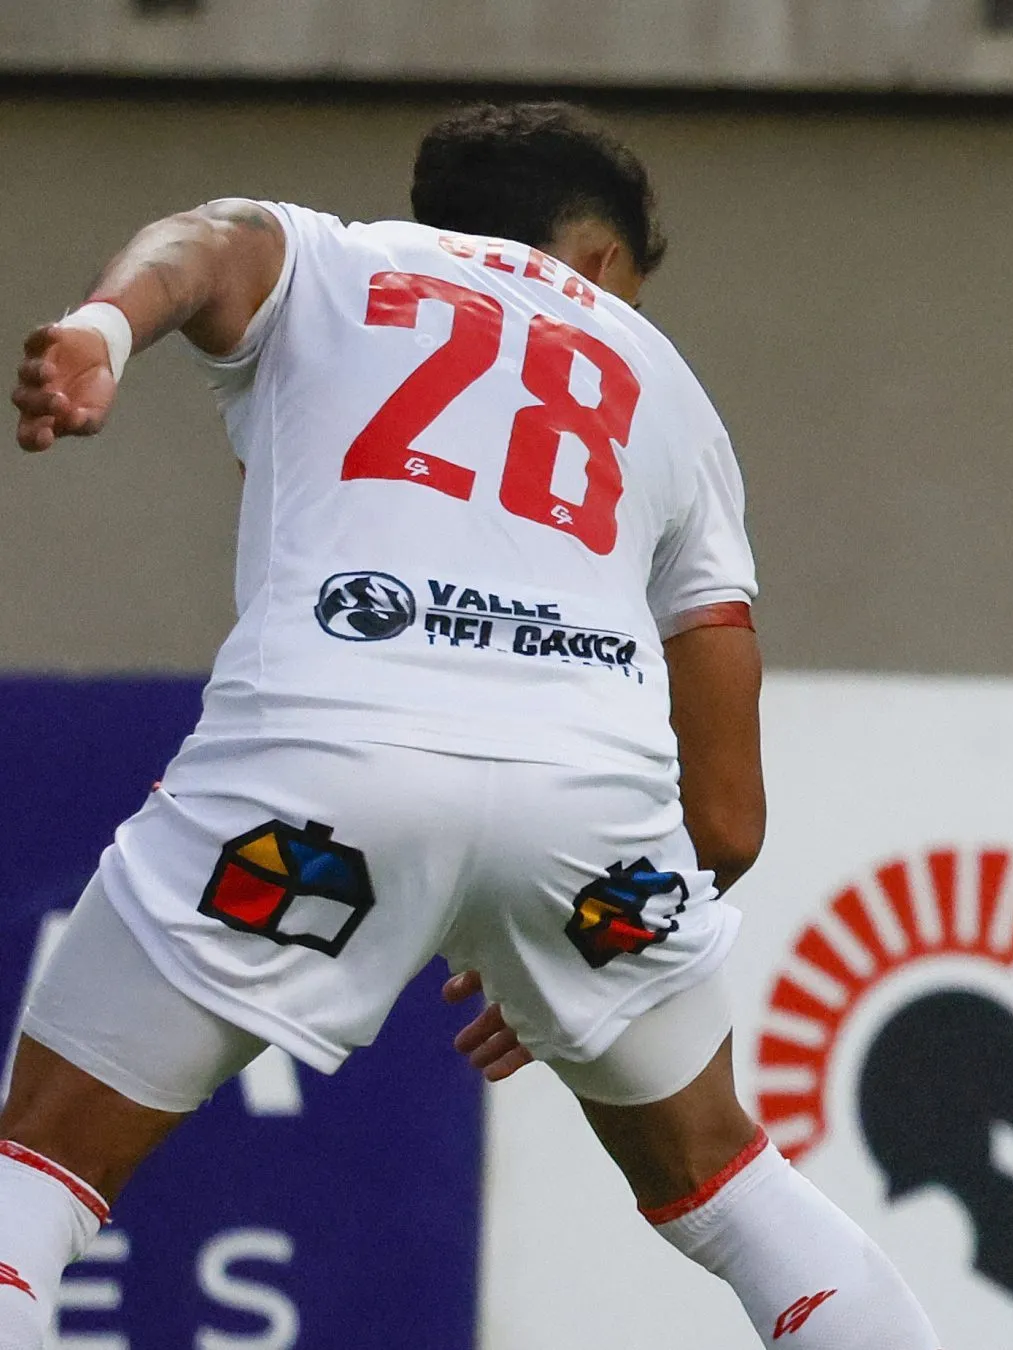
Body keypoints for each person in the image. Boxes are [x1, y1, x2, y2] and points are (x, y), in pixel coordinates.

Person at [2, 103, 940, 1350]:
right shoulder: (666, 387)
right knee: (730, 1189)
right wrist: (566, 929)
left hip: (322, 775)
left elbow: (203, 243)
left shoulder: (334, 259)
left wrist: (105, 329)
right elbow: (726, 817)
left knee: (42, 1167)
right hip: (590, 822)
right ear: (604, 264)